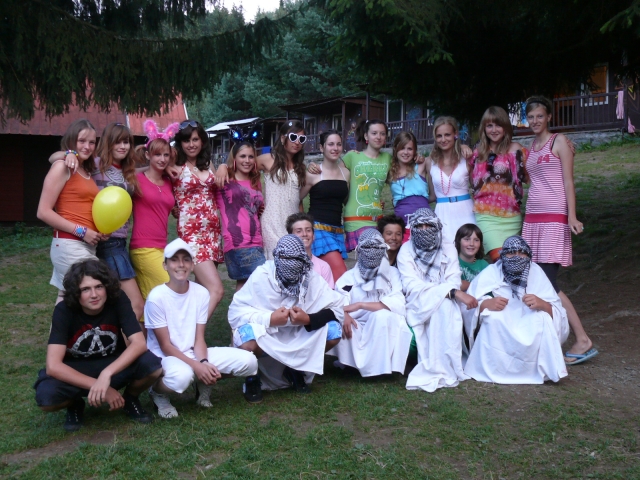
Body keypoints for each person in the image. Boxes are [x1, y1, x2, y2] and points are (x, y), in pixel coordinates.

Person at [34, 260, 162, 432]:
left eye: (99, 287)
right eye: (85, 289)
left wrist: (106, 374)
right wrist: (100, 386)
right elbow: (53, 366)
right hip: (76, 369)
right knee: (46, 399)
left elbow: (139, 343)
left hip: (112, 364)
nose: (94, 295)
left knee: (153, 366)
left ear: (107, 287)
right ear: (76, 292)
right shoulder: (64, 310)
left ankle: (130, 398)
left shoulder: (118, 300)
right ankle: (74, 404)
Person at [145, 239, 260, 418]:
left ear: (192, 265)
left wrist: (204, 362)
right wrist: (196, 366)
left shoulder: (201, 293)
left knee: (249, 361)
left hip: (194, 352)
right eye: (174, 260)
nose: (181, 264)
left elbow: (199, 338)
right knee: (182, 377)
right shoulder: (156, 297)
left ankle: (202, 381)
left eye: (186, 259)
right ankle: (157, 392)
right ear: (165, 265)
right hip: (166, 357)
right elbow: (165, 346)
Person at [523, 96, 598, 365]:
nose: (535, 121)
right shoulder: (530, 147)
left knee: (549, 281)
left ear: (549, 117)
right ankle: (545, 337)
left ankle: (582, 339)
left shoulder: (560, 142)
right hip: (532, 218)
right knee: (536, 279)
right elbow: (533, 180)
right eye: (531, 117)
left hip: (554, 217)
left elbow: (568, 181)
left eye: (540, 116)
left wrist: (571, 217)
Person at [50, 122, 148, 319]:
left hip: (114, 241)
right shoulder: (94, 165)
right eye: (117, 142)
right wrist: (69, 153)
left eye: (126, 142)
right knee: (133, 304)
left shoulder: (128, 172)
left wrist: (159, 166)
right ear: (107, 143)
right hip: (101, 242)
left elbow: (146, 172)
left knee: (85, 298)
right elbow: (53, 158)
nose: (123, 146)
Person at [228, 235, 345, 393]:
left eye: (296, 259)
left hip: (299, 333)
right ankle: (253, 377)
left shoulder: (310, 277)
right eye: (285, 258)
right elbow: (236, 312)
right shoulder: (262, 276)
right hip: (269, 333)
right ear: (277, 257)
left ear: (303, 260)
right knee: (246, 339)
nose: (291, 263)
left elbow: (337, 308)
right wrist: (270, 319)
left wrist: (308, 319)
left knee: (334, 331)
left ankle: (296, 370)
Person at [462, 236, 570, 384]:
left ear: (528, 256)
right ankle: (496, 370)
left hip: (529, 317)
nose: (516, 257)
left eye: (521, 253)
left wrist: (543, 305)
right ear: (503, 255)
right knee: (493, 318)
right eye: (511, 253)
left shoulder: (536, 272)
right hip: (503, 316)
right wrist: (486, 304)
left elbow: (558, 312)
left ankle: (532, 371)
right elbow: (469, 303)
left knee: (542, 319)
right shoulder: (492, 271)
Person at [396, 208, 477, 392]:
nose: (424, 230)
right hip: (417, 303)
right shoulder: (406, 251)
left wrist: (448, 293)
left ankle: (445, 366)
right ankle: (433, 365)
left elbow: (453, 279)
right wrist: (451, 292)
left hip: (446, 300)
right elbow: (412, 286)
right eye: (420, 227)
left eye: (429, 226)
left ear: (437, 227)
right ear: (413, 229)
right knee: (444, 303)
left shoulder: (447, 247)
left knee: (445, 307)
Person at [37, 119, 107, 304]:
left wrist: (99, 231)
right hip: (70, 244)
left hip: (86, 244)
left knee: (67, 300)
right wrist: (82, 231)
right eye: (81, 141)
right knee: (97, 294)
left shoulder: (85, 170)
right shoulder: (62, 166)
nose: (87, 146)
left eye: (92, 142)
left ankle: (59, 326)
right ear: (71, 140)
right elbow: (43, 212)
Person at [218, 120, 308, 260]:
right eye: (293, 137)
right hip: (272, 222)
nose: (297, 142)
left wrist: (302, 222)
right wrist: (223, 166)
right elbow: (243, 164)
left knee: (293, 264)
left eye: (301, 139)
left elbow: (299, 200)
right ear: (283, 138)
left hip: (292, 222)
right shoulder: (268, 159)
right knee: (275, 264)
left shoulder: (301, 167)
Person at [328, 229, 412, 377]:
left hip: (383, 325)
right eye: (367, 247)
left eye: (376, 247)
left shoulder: (392, 273)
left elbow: (397, 302)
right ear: (359, 250)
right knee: (342, 322)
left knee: (381, 317)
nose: (372, 251)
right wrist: (344, 314)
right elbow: (338, 303)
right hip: (357, 324)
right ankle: (352, 365)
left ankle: (381, 367)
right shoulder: (347, 278)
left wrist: (360, 305)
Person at [172, 120, 225, 319]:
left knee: (201, 294)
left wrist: (223, 166)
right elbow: (150, 164)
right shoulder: (174, 164)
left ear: (202, 141)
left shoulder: (208, 164)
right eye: (186, 140)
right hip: (192, 235)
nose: (191, 144)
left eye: (195, 139)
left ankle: (188, 331)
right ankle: (193, 333)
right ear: (180, 143)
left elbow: (218, 187)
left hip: (212, 234)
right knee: (216, 290)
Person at [469, 107, 528, 262]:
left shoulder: (516, 150)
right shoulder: (478, 153)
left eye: (498, 125)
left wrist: (563, 146)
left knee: (513, 262)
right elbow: (468, 177)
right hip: (486, 215)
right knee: (501, 260)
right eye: (489, 126)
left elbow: (533, 174)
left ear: (505, 127)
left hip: (512, 216)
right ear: (484, 128)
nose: (494, 130)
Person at [129, 135, 176, 325]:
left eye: (166, 155)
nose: (162, 159)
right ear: (148, 155)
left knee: (148, 300)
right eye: (157, 154)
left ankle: (142, 340)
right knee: (169, 287)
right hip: (143, 247)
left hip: (162, 247)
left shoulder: (169, 181)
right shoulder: (136, 180)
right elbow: (122, 172)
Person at [215, 139, 266, 291]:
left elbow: (256, 208)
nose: (247, 160)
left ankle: (236, 308)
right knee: (265, 282)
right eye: (242, 156)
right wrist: (223, 166)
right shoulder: (225, 179)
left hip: (256, 241)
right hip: (238, 242)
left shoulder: (255, 181)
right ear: (235, 158)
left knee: (245, 287)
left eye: (251, 157)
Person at [299, 129, 349, 282]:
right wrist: (303, 223)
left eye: (339, 144)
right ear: (322, 147)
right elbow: (296, 198)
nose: (335, 148)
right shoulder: (313, 173)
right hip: (319, 229)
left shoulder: (346, 173)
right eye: (331, 144)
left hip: (338, 231)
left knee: (327, 278)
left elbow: (346, 201)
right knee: (342, 275)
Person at [430, 116, 476, 244]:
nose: (443, 139)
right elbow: (431, 195)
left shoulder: (466, 158)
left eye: (447, 135)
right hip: (442, 212)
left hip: (465, 210)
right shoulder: (430, 161)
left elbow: (477, 187)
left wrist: (463, 146)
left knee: (468, 246)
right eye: (439, 136)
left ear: (455, 134)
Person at [388, 132, 433, 242]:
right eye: (402, 148)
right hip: (401, 224)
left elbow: (439, 152)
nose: (406, 152)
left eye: (410, 149)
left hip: (423, 223)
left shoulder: (421, 165)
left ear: (415, 151)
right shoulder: (389, 171)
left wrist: (462, 146)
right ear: (395, 149)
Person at [286, 212, 335, 288]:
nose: (304, 234)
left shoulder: (323, 266)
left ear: (313, 235)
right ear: (290, 237)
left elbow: (329, 293)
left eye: (308, 230)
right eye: (299, 231)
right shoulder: (283, 265)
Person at [455, 223, 490, 292]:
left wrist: (468, 285)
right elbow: (449, 286)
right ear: (458, 241)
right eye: (467, 239)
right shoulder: (452, 262)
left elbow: (489, 289)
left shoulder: (484, 265)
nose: (471, 244)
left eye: (476, 240)